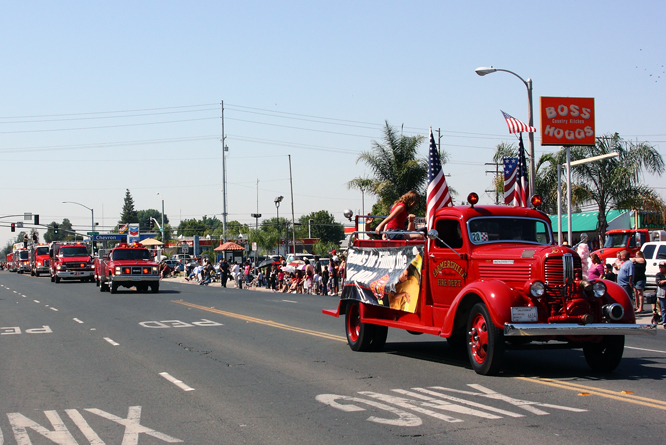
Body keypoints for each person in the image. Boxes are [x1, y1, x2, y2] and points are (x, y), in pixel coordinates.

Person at [655, 262, 666, 328]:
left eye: (662, 267)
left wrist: (664, 281)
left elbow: (663, 282)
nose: (660, 268)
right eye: (660, 267)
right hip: (662, 294)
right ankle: (665, 322)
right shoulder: (659, 275)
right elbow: (659, 283)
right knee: (663, 309)